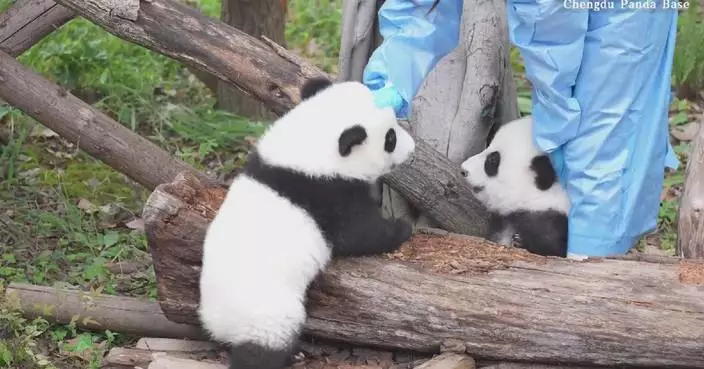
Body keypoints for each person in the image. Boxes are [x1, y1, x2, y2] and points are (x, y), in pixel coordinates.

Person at [363, 0, 680, 258]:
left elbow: (550, 24)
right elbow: (425, 6)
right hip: (565, 20)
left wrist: (556, 106)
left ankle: (591, 289)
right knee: (585, 151)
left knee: (602, 154)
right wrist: (391, 76)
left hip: (623, 18)